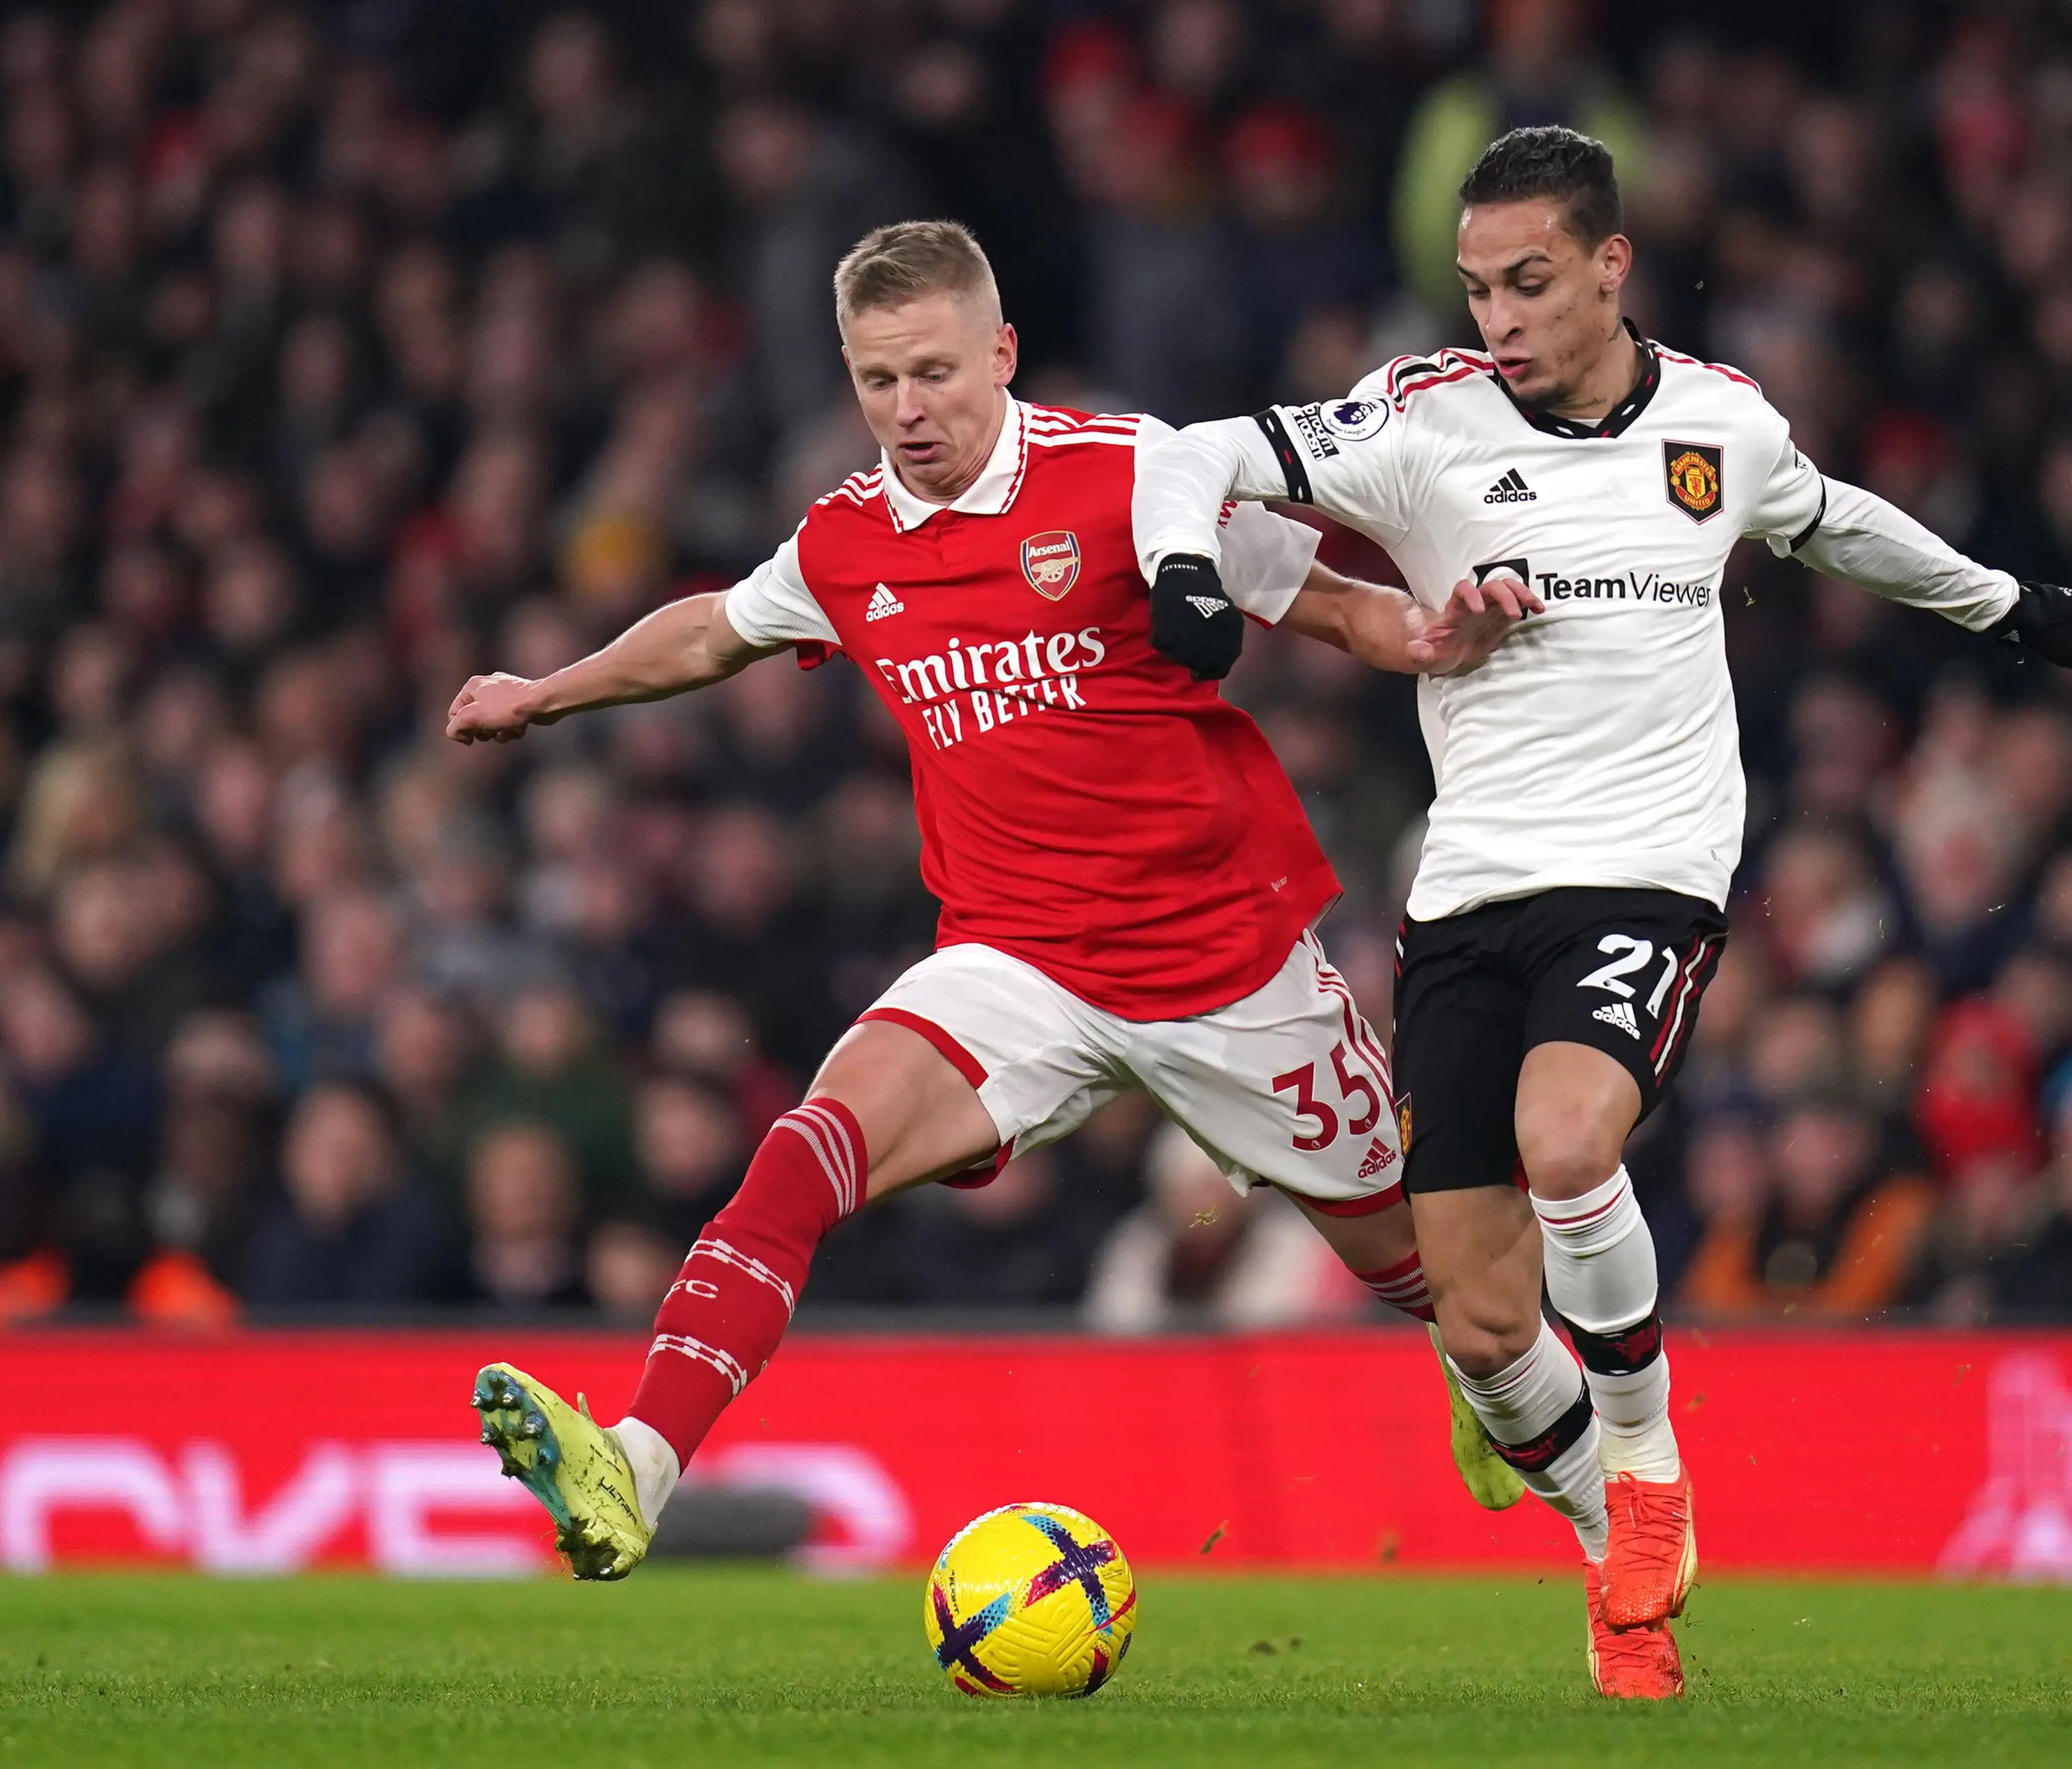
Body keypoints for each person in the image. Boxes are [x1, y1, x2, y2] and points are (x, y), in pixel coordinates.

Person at [1133, 126, 2072, 1697]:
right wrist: (1189, 572)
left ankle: (1649, 1462)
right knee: (1474, 1318)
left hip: (1653, 866)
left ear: (1612, 264)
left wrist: (2009, 604)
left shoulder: (1721, 426)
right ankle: (1618, 1550)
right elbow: (1184, 453)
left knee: (1569, 1140)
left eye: (1528, 282)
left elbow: (1836, 518)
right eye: (1475, 288)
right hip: (1468, 890)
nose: (1497, 318)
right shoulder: (1418, 419)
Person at [445, 221, 1532, 1582]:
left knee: (1440, 1275)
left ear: (1001, 352)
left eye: (935, 373)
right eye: (878, 380)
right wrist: (547, 692)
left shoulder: (1134, 474)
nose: (909, 411)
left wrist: (1427, 633)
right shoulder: (848, 542)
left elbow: (1324, 604)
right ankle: (637, 1466)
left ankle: (1498, 1387)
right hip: (1011, 962)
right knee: (803, 1149)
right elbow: (717, 625)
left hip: (1224, 962)